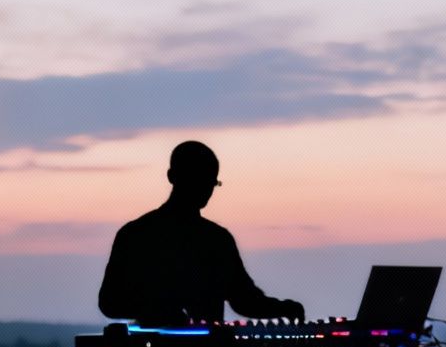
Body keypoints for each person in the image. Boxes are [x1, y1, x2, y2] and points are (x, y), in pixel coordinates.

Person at [97, 140, 305, 326]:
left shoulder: (217, 240)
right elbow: (110, 302)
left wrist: (283, 308)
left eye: (210, 182)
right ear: (172, 177)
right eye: (198, 179)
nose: (205, 189)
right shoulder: (136, 236)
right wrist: (159, 310)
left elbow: (244, 299)